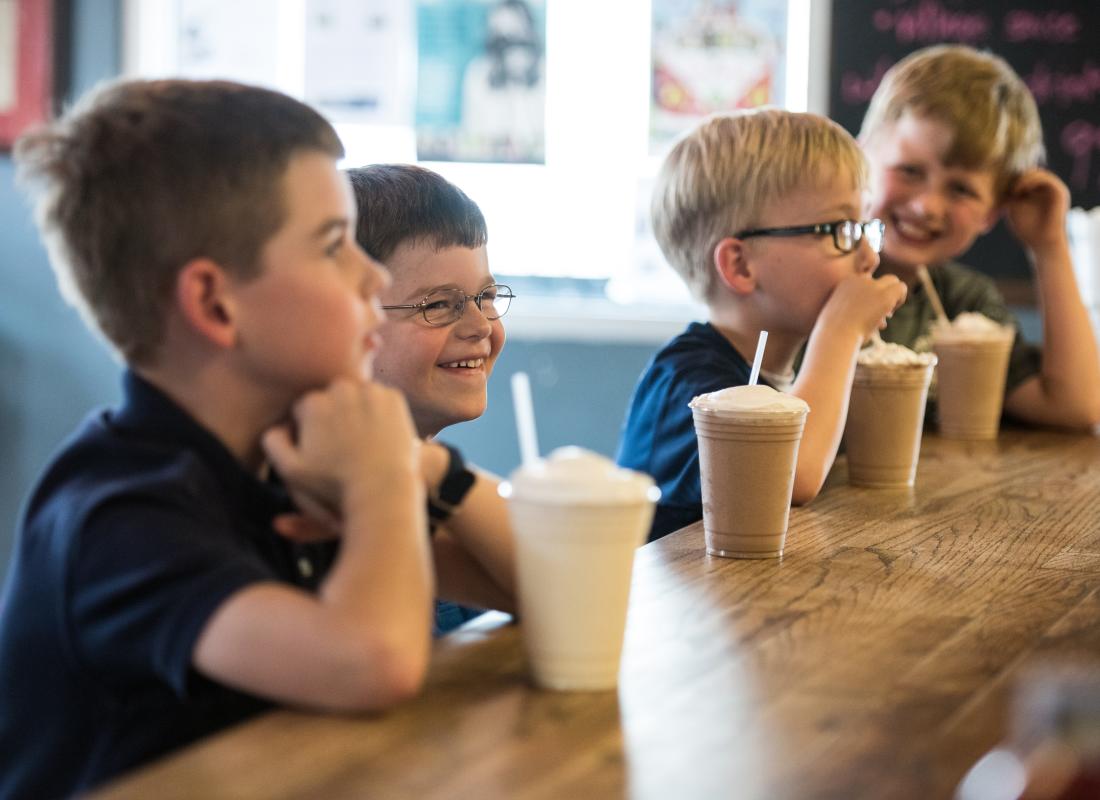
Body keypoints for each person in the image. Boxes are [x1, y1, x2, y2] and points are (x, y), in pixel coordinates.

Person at [0, 78, 513, 798]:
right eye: (335, 246)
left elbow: (556, 588)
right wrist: (382, 481)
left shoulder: (284, 457)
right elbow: (372, 665)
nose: (370, 276)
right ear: (214, 303)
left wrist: (424, 467)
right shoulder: (121, 515)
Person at [616, 109, 907, 540]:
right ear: (741, 265)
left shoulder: (796, 372)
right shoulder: (686, 382)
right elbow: (794, 474)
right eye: (842, 231)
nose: (870, 257)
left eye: (866, 228)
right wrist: (840, 331)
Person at [860, 44, 1100, 429]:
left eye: (961, 190)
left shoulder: (965, 305)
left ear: (993, 211)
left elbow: (1076, 407)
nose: (927, 207)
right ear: (860, 156)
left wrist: (1049, 246)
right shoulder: (810, 286)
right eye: (909, 170)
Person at [347, 164, 513, 633]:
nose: (481, 325)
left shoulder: (421, 491)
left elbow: (571, 589)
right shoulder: (342, 491)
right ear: (348, 320)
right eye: (438, 305)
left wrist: (434, 468)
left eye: (487, 295)